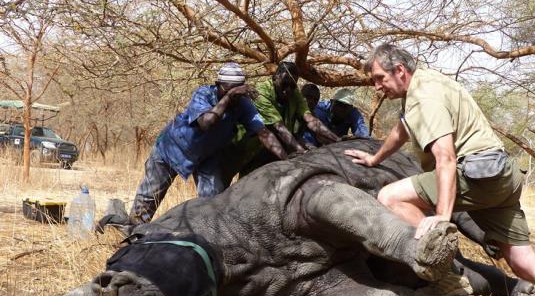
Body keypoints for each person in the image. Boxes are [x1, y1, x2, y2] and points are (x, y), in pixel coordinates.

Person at [345, 43, 535, 296]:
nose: (377, 86)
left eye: (380, 78)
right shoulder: (428, 83)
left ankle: (446, 276)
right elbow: (402, 130)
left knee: (391, 197)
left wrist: (442, 219)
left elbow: (446, 158)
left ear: (400, 71)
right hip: (501, 176)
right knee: (526, 264)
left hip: (475, 174)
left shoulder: (425, 97)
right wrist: (374, 158)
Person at [130, 62, 287, 224]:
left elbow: (264, 133)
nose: (235, 96)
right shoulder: (203, 94)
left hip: (205, 157)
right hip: (172, 149)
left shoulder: (243, 104)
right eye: (230, 90)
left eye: (238, 91)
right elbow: (206, 122)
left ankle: (205, 238)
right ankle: (131, 235)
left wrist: (287, 159)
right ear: (218, 85)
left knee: (213, 202)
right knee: (148, 199)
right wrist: (228, 98)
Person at [221, 62, 339, 179]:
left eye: (292, 86)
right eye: (284, 84)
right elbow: (279, 127)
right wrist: (301, 151)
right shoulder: (261, 93)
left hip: (275, 149)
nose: (288, 90)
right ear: (274, 78)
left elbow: (310, 119)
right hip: (246, 148)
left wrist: (337, 139)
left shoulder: (294, 91)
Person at [302, 88, 370, 146]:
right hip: (318, 141)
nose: (341, 109)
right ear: (332, 102)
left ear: (351, 108)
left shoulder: (353, 114)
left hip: (339, 145)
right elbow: (317, 133)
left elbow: (363, 134)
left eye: (345, 106)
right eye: (339, 104)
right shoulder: (320, 109)